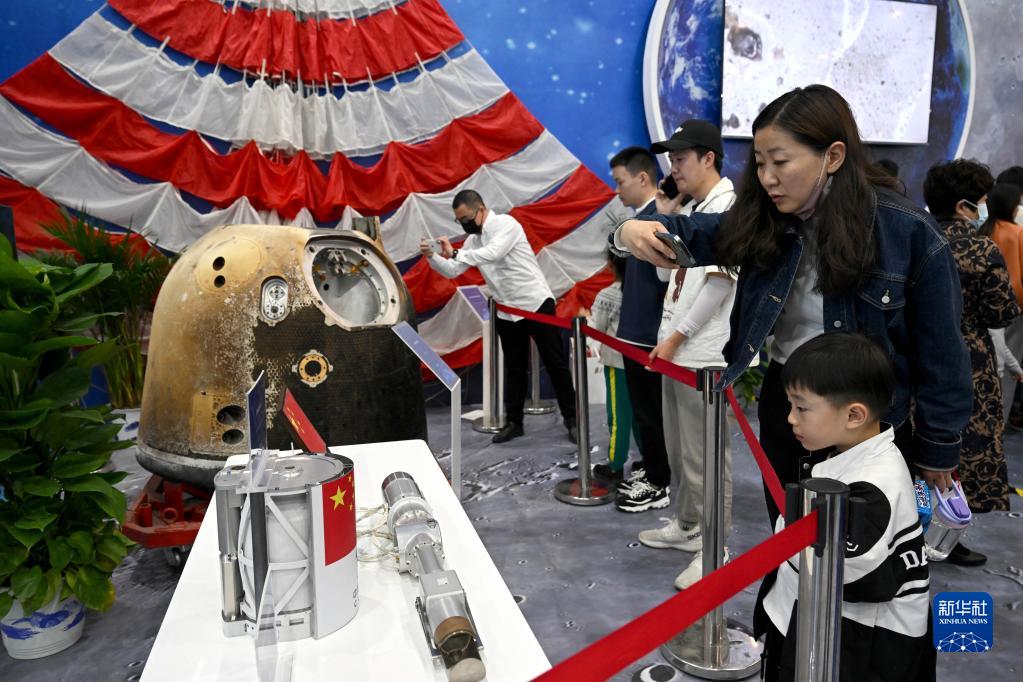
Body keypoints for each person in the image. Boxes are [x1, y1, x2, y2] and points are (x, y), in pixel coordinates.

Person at [613, 84, 972, 529]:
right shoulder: (765, 219)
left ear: (833, 156)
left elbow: (942, 353)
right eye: (760, 163)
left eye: (780, 162)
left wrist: (938, 448)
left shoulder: (908, 233)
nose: (767, 178)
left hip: (866, 421)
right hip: (787, 405)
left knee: (860, 551)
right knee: (789, 536)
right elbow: (699, 231)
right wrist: (631, 230)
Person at [756, 333, 933, 682]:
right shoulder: (849, 453)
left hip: (850, 645)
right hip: (817, 624)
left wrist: (789, 532)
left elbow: (844, 573)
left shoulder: (874, 487)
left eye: (801, 408)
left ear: (853, 415)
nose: (791, 418)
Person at [635, 121, 739, 590]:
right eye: (671, 160)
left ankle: (715, 549)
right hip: (677, 350)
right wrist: (665, 216)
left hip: (703, 354)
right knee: (681, 453)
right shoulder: (694, 209)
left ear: (708, 158)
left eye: (680, 159)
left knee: (707, 459)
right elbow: (666, 276)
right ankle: (688, 524)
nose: (673, 168)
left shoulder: (728, 209)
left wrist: (677, 339)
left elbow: (720, 283)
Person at [419, 190, 577, 444]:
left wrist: (455, 252)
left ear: (481, 209)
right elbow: (452, 271)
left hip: (536, 303)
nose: (464, 224)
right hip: (506, 310)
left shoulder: (506, 224)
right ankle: (514, 422)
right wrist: (432, 256)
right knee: (514, 368)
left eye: (466, 218)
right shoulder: (473, 241)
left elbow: (493, 253)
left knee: (556, 363)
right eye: (459, 221)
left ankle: (572, 420)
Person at [923, 163, 1019, 535]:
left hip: (917, 353)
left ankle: (913, 529)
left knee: (918, 444)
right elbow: (1001, 312)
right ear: (964, 206)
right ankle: (949, 532)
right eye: (981, 201)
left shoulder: (918, 237)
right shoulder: (981, 248)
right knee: (965, 445)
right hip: (969, 359)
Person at [607, 146, 672, 512]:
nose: (617, 189)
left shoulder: (657, 222)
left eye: (621, 181)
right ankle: (652, 465)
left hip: (649, 335)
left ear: (643, 177)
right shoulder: (639, 224)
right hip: (635, 332)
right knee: (644, 411)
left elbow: (666, 282)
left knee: (652, 413)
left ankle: (659, 481)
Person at [585, 252, 638, 481]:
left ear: (611, 265)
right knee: (641, 414)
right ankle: (648, 459)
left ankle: (616, 464)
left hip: (617, 362)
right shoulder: (645, 291)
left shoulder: (608, 295)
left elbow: (597, 328)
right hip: (641, 361)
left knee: (618, 415)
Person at [979, 182, 1023, 421]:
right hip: (1013, 307)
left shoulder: (983, 230)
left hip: (984, 305)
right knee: (1009, 366)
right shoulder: (1017, 233)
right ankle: (1001, 420)